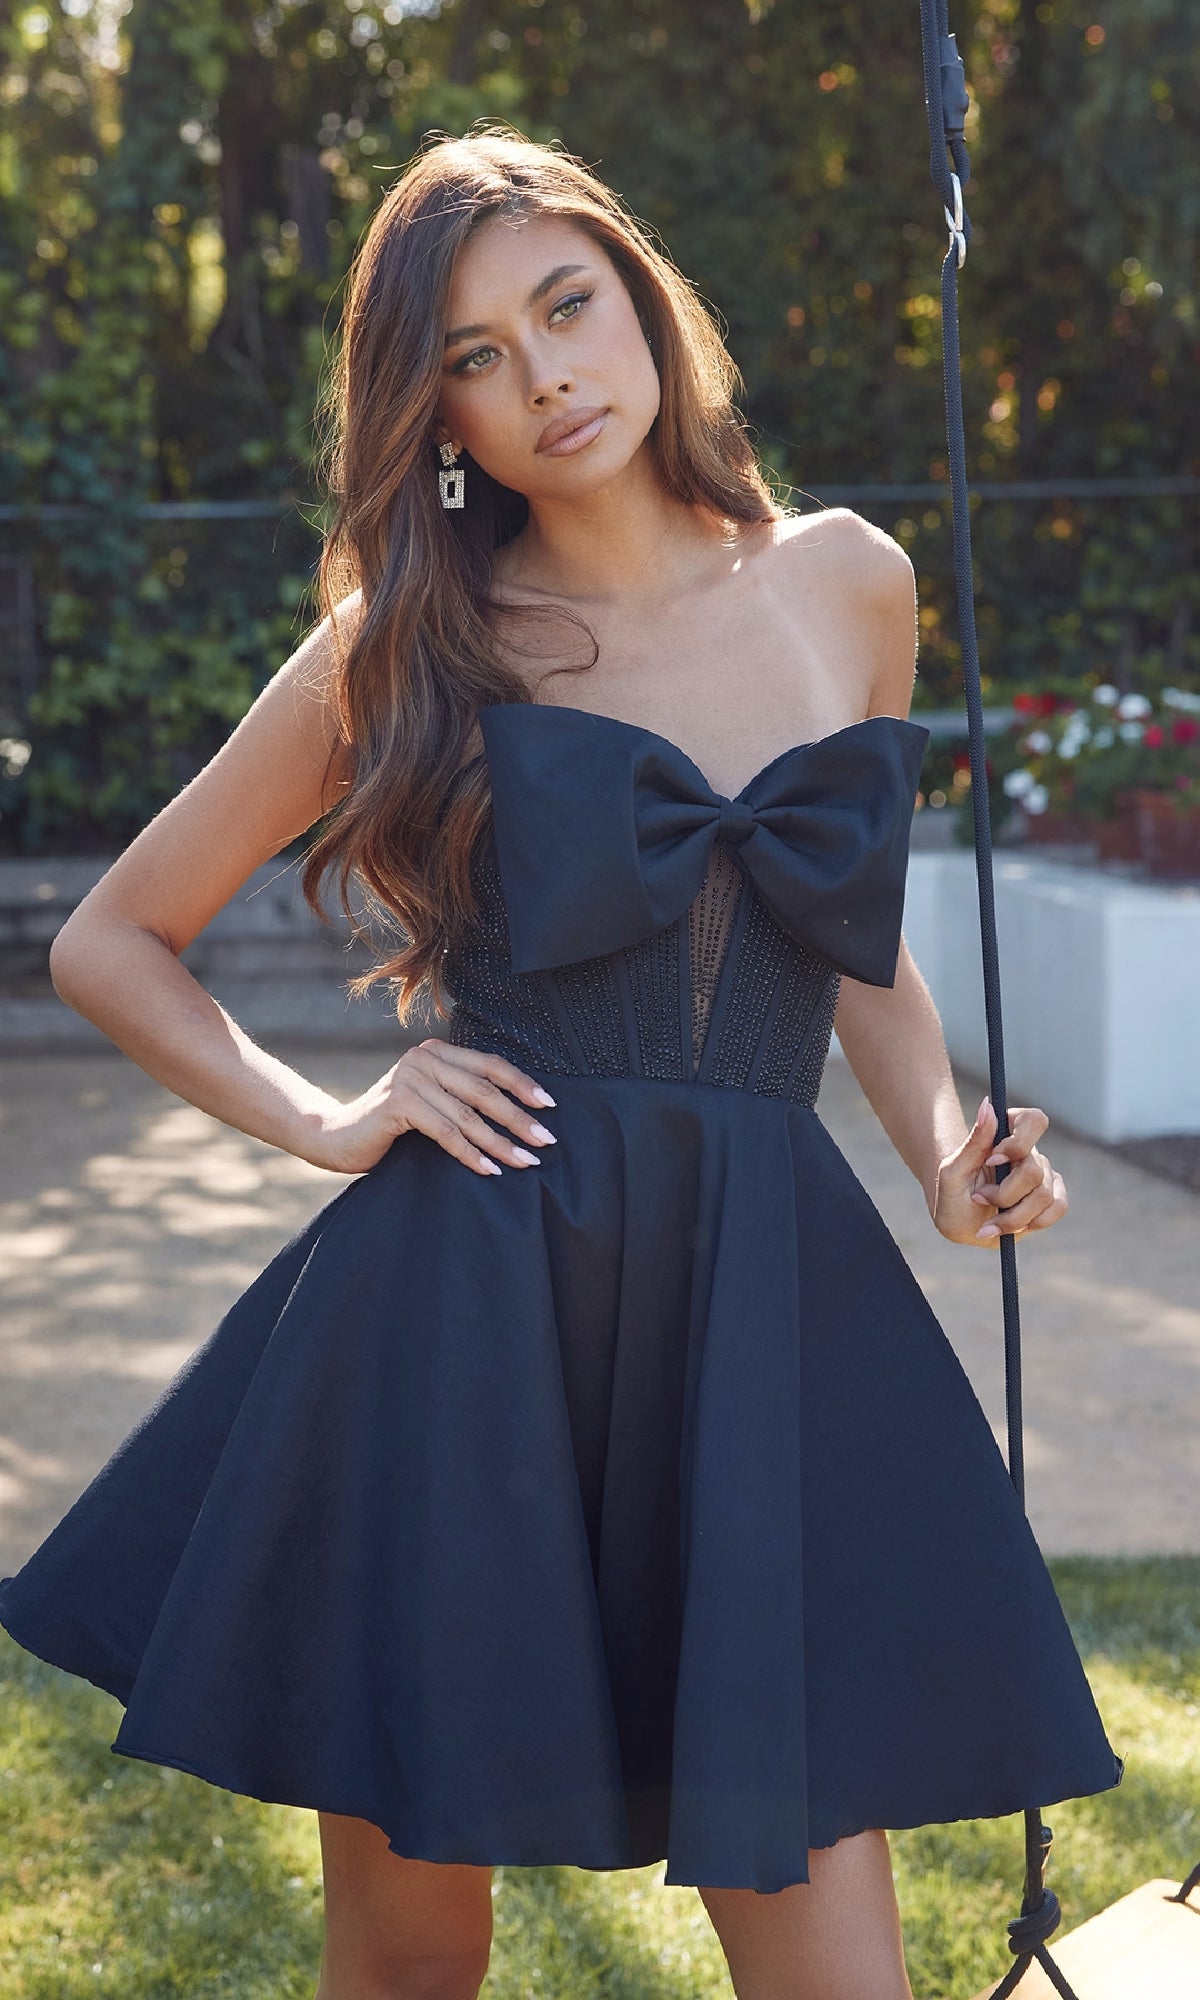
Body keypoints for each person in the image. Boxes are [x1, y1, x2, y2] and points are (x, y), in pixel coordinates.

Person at [0, 125, 1121, 2000]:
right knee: (415, 1958)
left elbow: (863, 944)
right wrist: (333, 1119)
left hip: (756, 1301)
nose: (545, 381)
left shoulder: (846, 583)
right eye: (476, 358)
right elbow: (111, 938)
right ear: (434, 413)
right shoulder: (411, 644)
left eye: (565, 308)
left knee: (834, 1954)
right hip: (464, 1317)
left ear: (640, 294)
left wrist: (943, 1155)